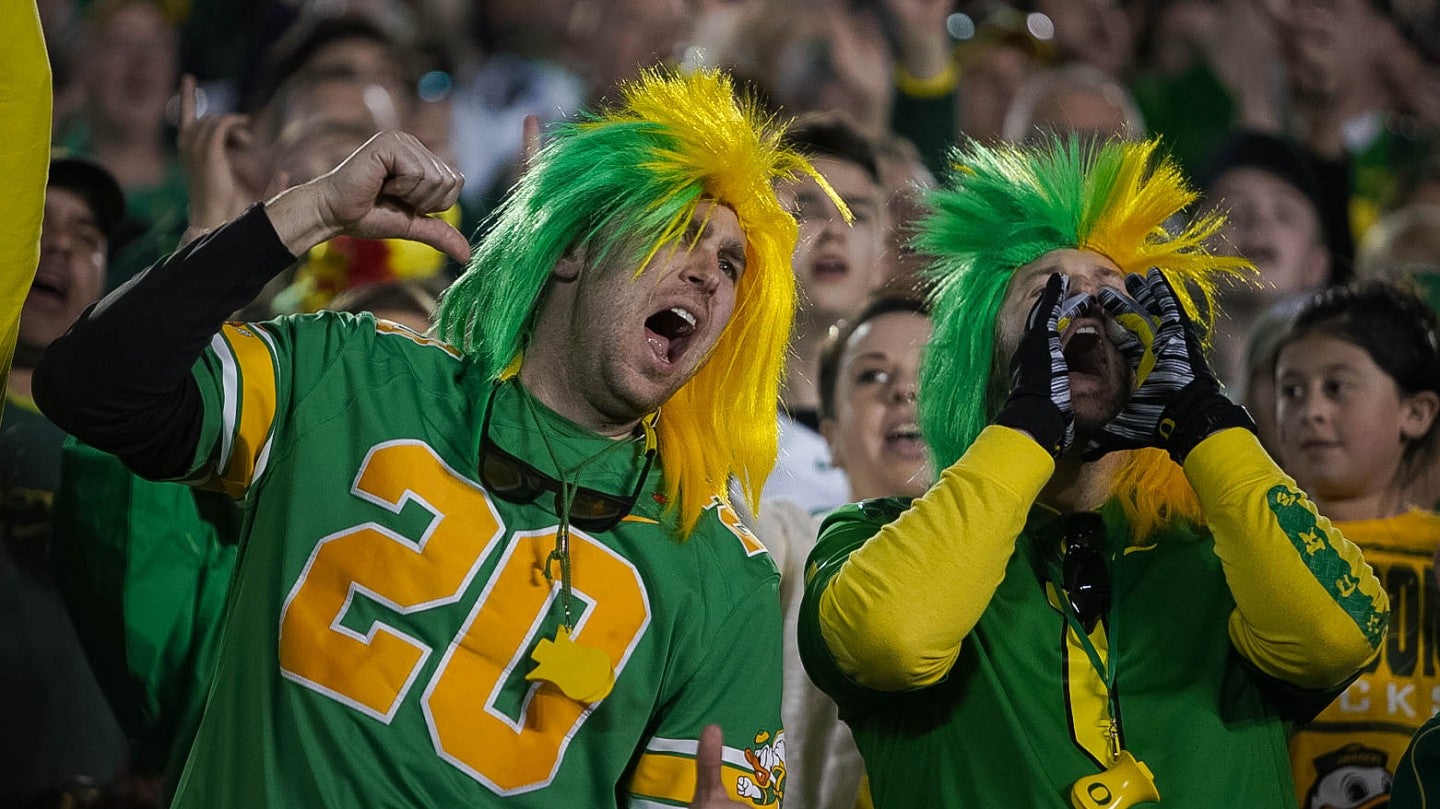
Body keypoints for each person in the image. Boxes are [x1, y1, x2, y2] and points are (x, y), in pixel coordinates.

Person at [35, 67, 839, 807]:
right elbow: (92, 390)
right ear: (571, 249)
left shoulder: (719, 570)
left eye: (733, 265)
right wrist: (308, 212)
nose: (707, 272)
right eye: (677, 231)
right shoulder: (347, 374)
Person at [797, 136, 1390, 806]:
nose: (1083, 301)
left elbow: (1337, 637)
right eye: (1044, 291)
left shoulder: (1223, 554)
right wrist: (1026, 427)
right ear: (980, 353)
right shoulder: (867, 538)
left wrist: (1201, 415)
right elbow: (891, 638)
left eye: (1113, 288)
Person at [1273, 282, 1440, 808]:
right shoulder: (1258, 548)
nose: (1311, 411)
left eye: (1337, 387)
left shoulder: (1436, 549)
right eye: (1291, 390)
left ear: (1415, 413)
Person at [762, 294, 932, 809]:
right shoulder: (791, 543)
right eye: (872, 376)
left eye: (933, 371)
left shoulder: (1027, 561)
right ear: (830, 436)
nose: (904, 391)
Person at [764, 115, 887, 514]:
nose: (835, 230)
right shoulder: (709, 426)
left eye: (856, 214)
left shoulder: (919, 427)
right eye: (808, 209)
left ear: (882, 258)